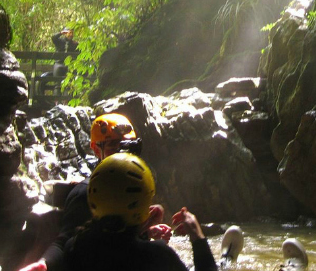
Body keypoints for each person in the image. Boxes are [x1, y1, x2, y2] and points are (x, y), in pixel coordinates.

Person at [18, 113, 168, 271]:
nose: (123, 152)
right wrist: (45, 264)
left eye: (129, 145)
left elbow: (121, 237)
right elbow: (65, 242)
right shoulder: (86, 193)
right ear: (96, 149)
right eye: (114, 145)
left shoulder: (138, 186)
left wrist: (145, 230)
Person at [63, 153, 217, 271]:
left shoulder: (75, 247)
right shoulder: (156, 254)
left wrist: (142, 233)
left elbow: (115, 248)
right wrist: (198, 238)